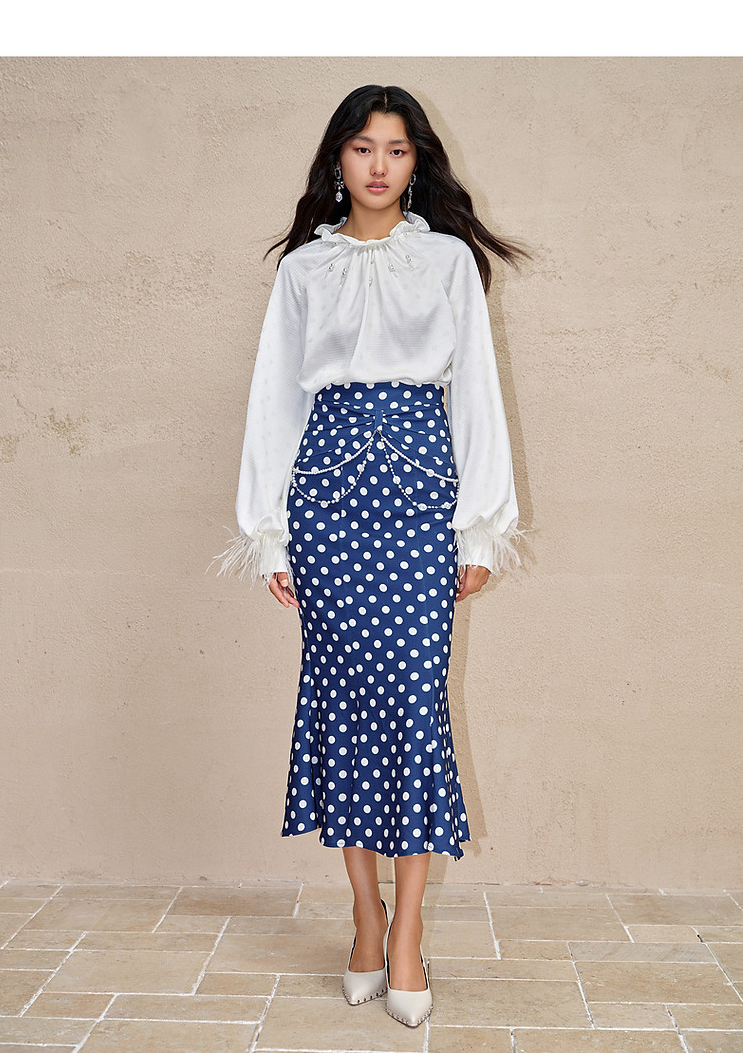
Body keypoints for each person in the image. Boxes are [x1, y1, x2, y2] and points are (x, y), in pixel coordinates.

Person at [208, 84, 531, 1027]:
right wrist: (268, 526)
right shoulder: (304, 270)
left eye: (395, 148)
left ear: (416, 160)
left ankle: (408, 930)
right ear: (337, 160)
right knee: (343, 699)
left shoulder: (448, 262)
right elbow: (276, 396)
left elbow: (475, 393)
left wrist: (481, 524)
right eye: (361, 147)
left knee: (415, 704)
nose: (378, 165)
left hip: (422, 492)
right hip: (329, 497)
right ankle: (363, 913)